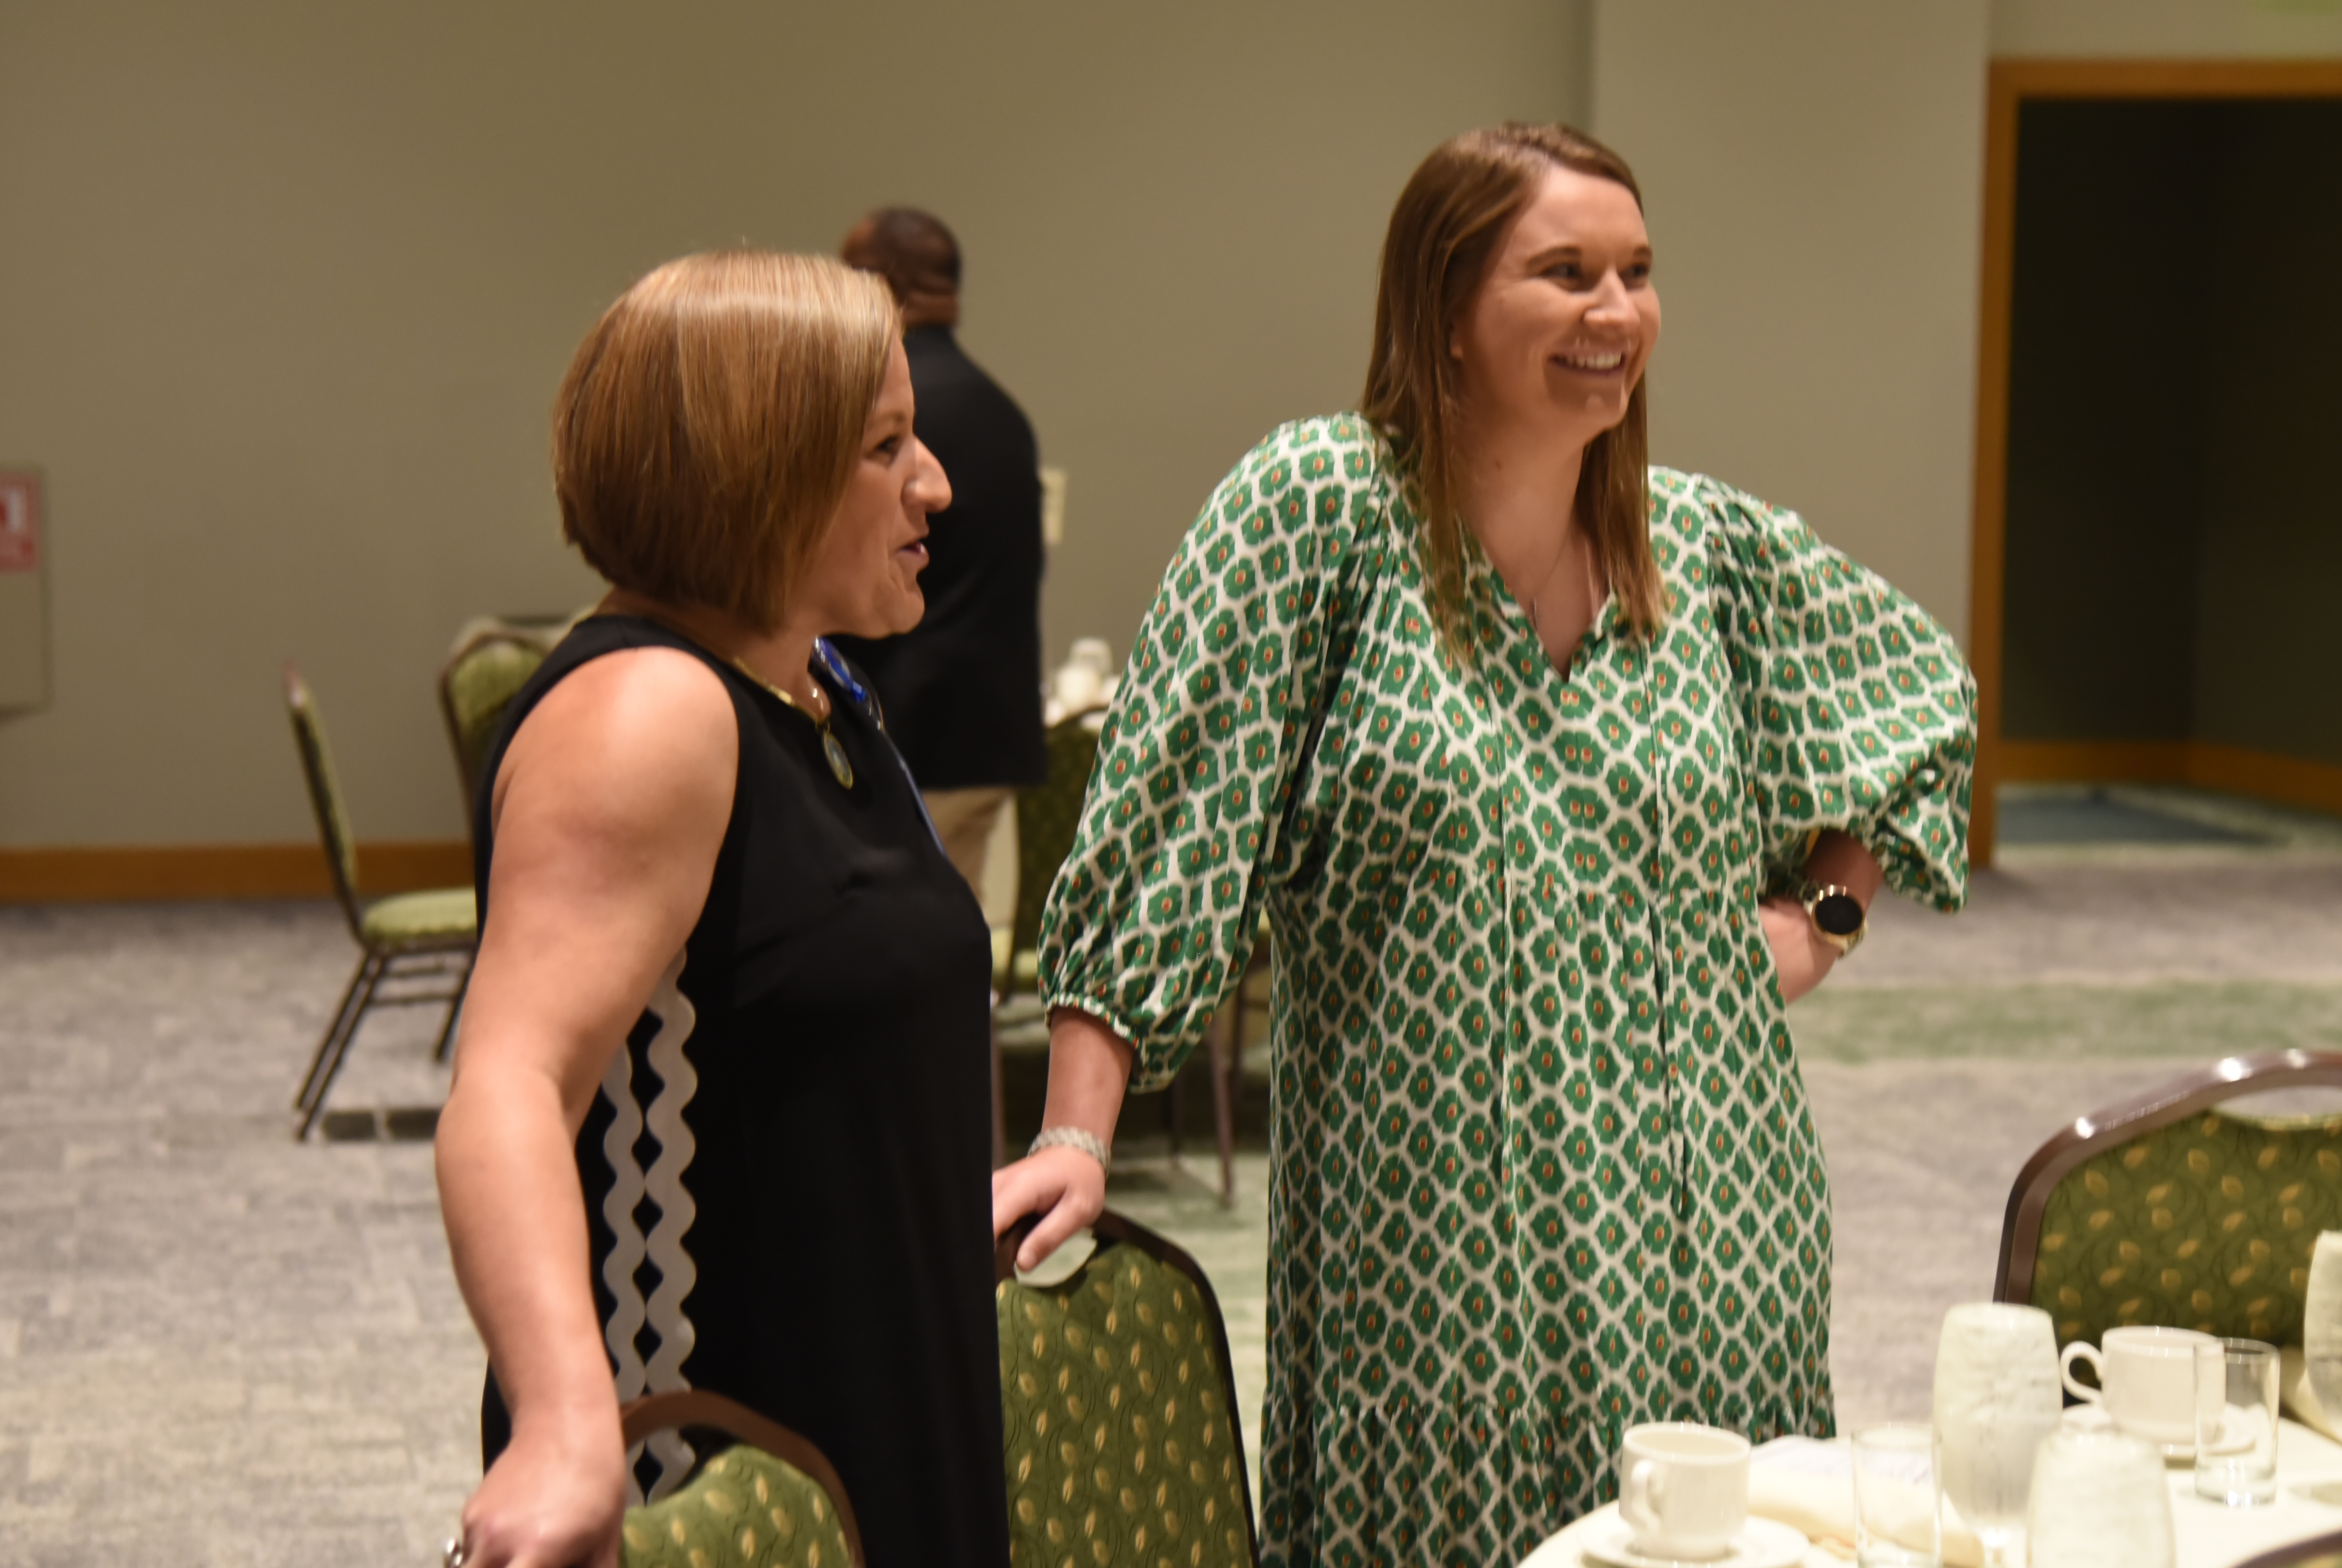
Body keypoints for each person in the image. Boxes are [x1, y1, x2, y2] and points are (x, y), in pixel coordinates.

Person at [991, 124, 1975, 1564]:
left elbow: (1922, 701)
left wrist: (1821, 915)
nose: (1616, 312)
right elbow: (1164, 818)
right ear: (1444, 308)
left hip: (1718, 1228)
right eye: (1564, 272)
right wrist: (1079, 1125)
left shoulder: (1700, 550)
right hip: (1435, 1259)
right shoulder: (1319, 509)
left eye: (1638, 274)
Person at [436, 250, 1006, 1568]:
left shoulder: (821, 690)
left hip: (878, 1406)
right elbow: (510, 1084)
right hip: (716, 1457)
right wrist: (567, 1420)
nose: (936, 484)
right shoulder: (649, 712)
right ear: (756, 469)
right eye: (885, 447)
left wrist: (931, 1200)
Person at [832, 207, 1046, 902]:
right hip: (989, 726)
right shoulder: (1002, 410)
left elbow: (852, 571)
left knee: (902, 962)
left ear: (882, 282)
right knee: (957, 941)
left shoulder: (891, 410)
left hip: (911, 727)